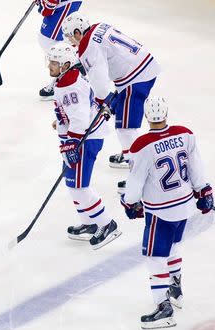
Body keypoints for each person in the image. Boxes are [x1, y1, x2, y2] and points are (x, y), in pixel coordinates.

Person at [120, 96, 214, 329]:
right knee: (174, 246)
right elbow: (196, 167)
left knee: (155, 257)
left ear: (145, 116)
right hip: (183, 206)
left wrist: (129, 202)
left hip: (160, 211)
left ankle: (163, 306)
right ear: (166, 113)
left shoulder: (141, 145)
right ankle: (176, 287)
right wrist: (203, 190)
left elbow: (136, 181)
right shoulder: (185, 134)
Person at [61, 13, 161, 190]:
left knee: (125, 129)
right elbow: (102, 56)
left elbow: (99, 81)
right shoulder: (98, 27)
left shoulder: (87, 46)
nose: (71, 42)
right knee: (124, 123)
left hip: (135, 79)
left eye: (70, 37)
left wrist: (102, 101)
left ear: (77, 32)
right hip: (140, 66)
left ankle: (137, 176)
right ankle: (130, 154)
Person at [48, 42, 121, 249]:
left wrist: (72, 142)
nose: (49, 66)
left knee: (80, 186)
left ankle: (107, 224)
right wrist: (62, 119)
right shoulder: (65, 79)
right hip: (77, 137)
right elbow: (78, 109)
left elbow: (80, 117)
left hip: (83, 140)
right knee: (72, 184)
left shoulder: (70, 85)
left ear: (65, 64)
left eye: (54, 63)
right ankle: (89, 223)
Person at [36, 0, 83, 100]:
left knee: (51, 42)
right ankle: (77, 69)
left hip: (66, 3)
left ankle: (67, 81)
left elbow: (48, 7)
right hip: (64, 3)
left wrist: (44, 4)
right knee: (50, 41)